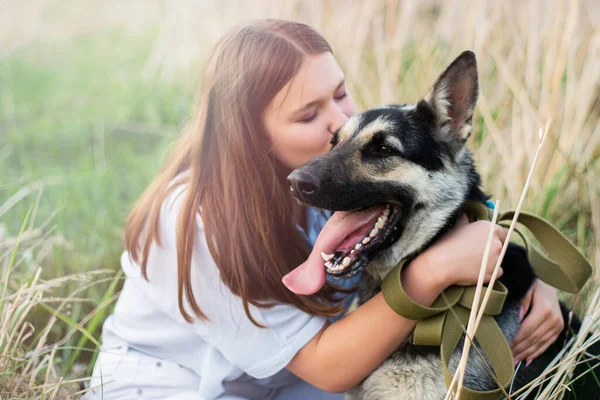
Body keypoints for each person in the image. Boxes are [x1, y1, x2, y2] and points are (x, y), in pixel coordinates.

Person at [84, 19, 565, 399]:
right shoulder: (195, 220)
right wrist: (434, 270)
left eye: (339, 94)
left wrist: (524, 284)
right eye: (308, 114)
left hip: (288, 387)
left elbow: (457, 212)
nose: (339, 122)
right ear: (250, 135)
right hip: (175, 390)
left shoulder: (329, 199)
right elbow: (327, 365)